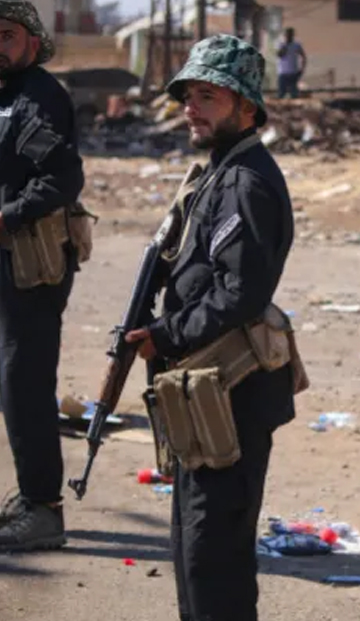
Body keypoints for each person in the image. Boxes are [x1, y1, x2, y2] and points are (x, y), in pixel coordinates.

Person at [123, 34, 298, 621]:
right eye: (188, 97)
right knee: (195, 553)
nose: (191, 109)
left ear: (246, 107)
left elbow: (240, 293)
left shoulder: (246, 181)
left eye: (208, 97)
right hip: (208, 392)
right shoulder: (221, 171)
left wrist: (166, 335)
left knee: (214, 558)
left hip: (233, 394)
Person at [0, 0, 84, 553]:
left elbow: (62, 179)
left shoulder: (41, 97)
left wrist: (1, 219)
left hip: (34, 262)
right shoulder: (2, 98)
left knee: (27, 384)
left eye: (7, 36)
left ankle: (45, 512)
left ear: (33, 40)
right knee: (13, 383)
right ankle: (31, 496)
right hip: (8, 263)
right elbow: (2, 168)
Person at [275, 27, 307, 99]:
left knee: (294, 94)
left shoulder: (297, 45)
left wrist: (302, 69)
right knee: (281, 94)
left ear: (292, 35)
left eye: (290, 35)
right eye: (287, 35)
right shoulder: (281, 44)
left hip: (293, 73)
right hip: (283, 73)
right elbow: (279, 55)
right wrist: (285, 46)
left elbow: (303, 56)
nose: (288, 36)